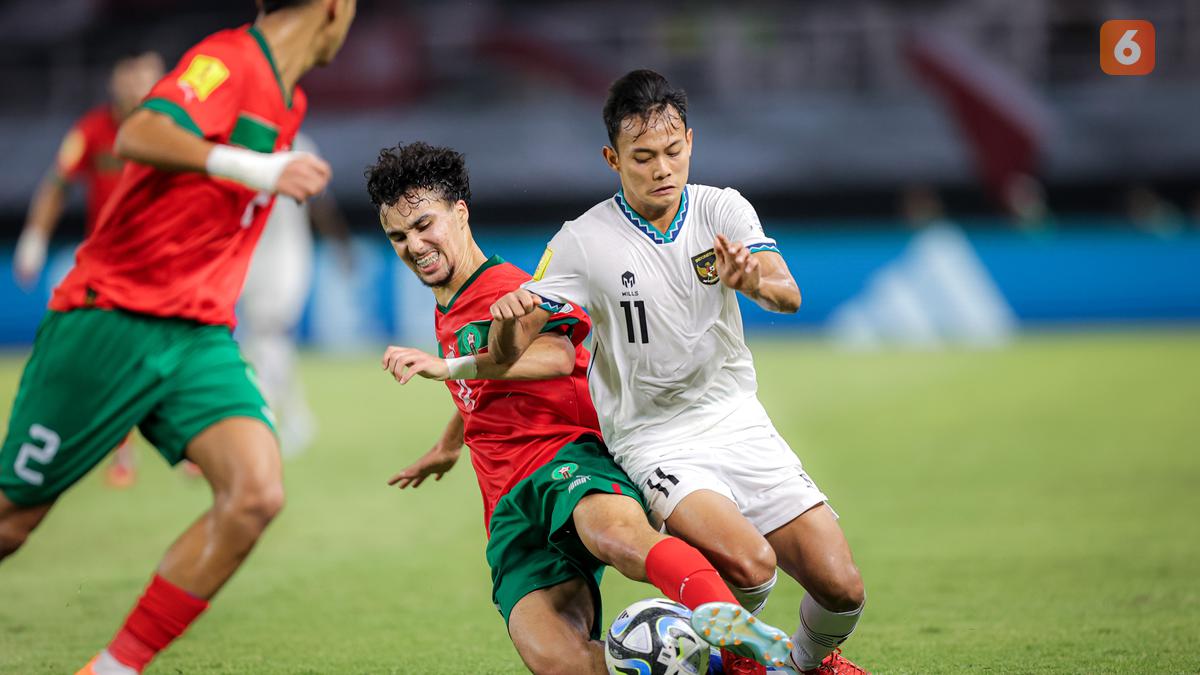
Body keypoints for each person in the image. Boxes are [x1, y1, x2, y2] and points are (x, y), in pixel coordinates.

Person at [0, 1, 355, 673]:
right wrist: (258, 170)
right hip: (115, 318)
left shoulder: (291, 100)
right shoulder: (229, 60)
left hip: (197, 335)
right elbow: (143, 129)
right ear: (334, 7)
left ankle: (109, 669)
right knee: (12, 521)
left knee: (255, 492)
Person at [489, 70, 869, 675]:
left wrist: (753, 283)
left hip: (737, 418)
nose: (662, 168)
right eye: (642, 157)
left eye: (672, 151)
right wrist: (510, 317)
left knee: (843, 587)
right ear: (613, 158)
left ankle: (801, 663)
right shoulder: (582, 241)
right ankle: (731, 658)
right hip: (653, 437)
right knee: (750, 564)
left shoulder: (722, 208)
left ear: (689, 141)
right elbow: (509, 353)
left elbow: (789, 295)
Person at [368, 142, 793, 674]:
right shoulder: (450, 301)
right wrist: (448, 444)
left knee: (617, 537)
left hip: (563, 458)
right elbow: (484, 394)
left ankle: (733, 631)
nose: (415, 245)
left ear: (460, 212)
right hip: (507, 507)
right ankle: (712, 667)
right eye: (398, 236)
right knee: (562, 663)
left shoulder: (511, 289)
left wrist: (448, 368)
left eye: (424, 225)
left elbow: (555, 354)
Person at [14, 50, 165, 488]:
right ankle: (121, 451)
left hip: (164, 262)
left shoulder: (173, 130)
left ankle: (198, 442)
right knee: (110, 359)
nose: (140, 84)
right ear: (116, 79)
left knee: (169, 352)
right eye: (133, 74)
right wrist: (33, 239)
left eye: (149, 76)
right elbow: (56, 184)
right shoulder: (92, 131)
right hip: (110, 267)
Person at [238, 131, 353, 457]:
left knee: (268, 331)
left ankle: (270, 417)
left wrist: (340, 245)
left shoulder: (300, 144)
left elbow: (321, 204)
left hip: (288, 254)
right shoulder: (239, 142)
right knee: (263, 337)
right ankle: (294, 417)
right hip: (250, 256)